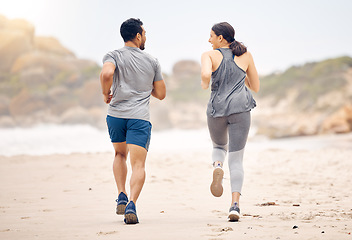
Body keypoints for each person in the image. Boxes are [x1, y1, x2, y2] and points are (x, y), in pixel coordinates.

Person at [100, 18, 166, 224]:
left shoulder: (113, 55)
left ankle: (121, 194)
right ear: (138, 36)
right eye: (144, 33)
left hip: (116, 116)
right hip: (139, 118)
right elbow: (161, 94)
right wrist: (145, 88)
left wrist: (105, 93)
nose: (145, 36)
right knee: (138, 164)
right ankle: (132, 204)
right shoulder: (152, 61)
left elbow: (107, 73)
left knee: (119, 154)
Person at [200, 22, 260, 222]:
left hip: (217, 109)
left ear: (220, 38)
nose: (209, 40)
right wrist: (240, 78)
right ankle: (234, 206)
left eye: (211, 36)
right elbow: (256, 87)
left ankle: (217, 166)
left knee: (218, 146)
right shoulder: (246, 56)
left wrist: (205, 81)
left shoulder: (209, 55)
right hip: (240, 109)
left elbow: (206, 75)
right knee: (237, 159)